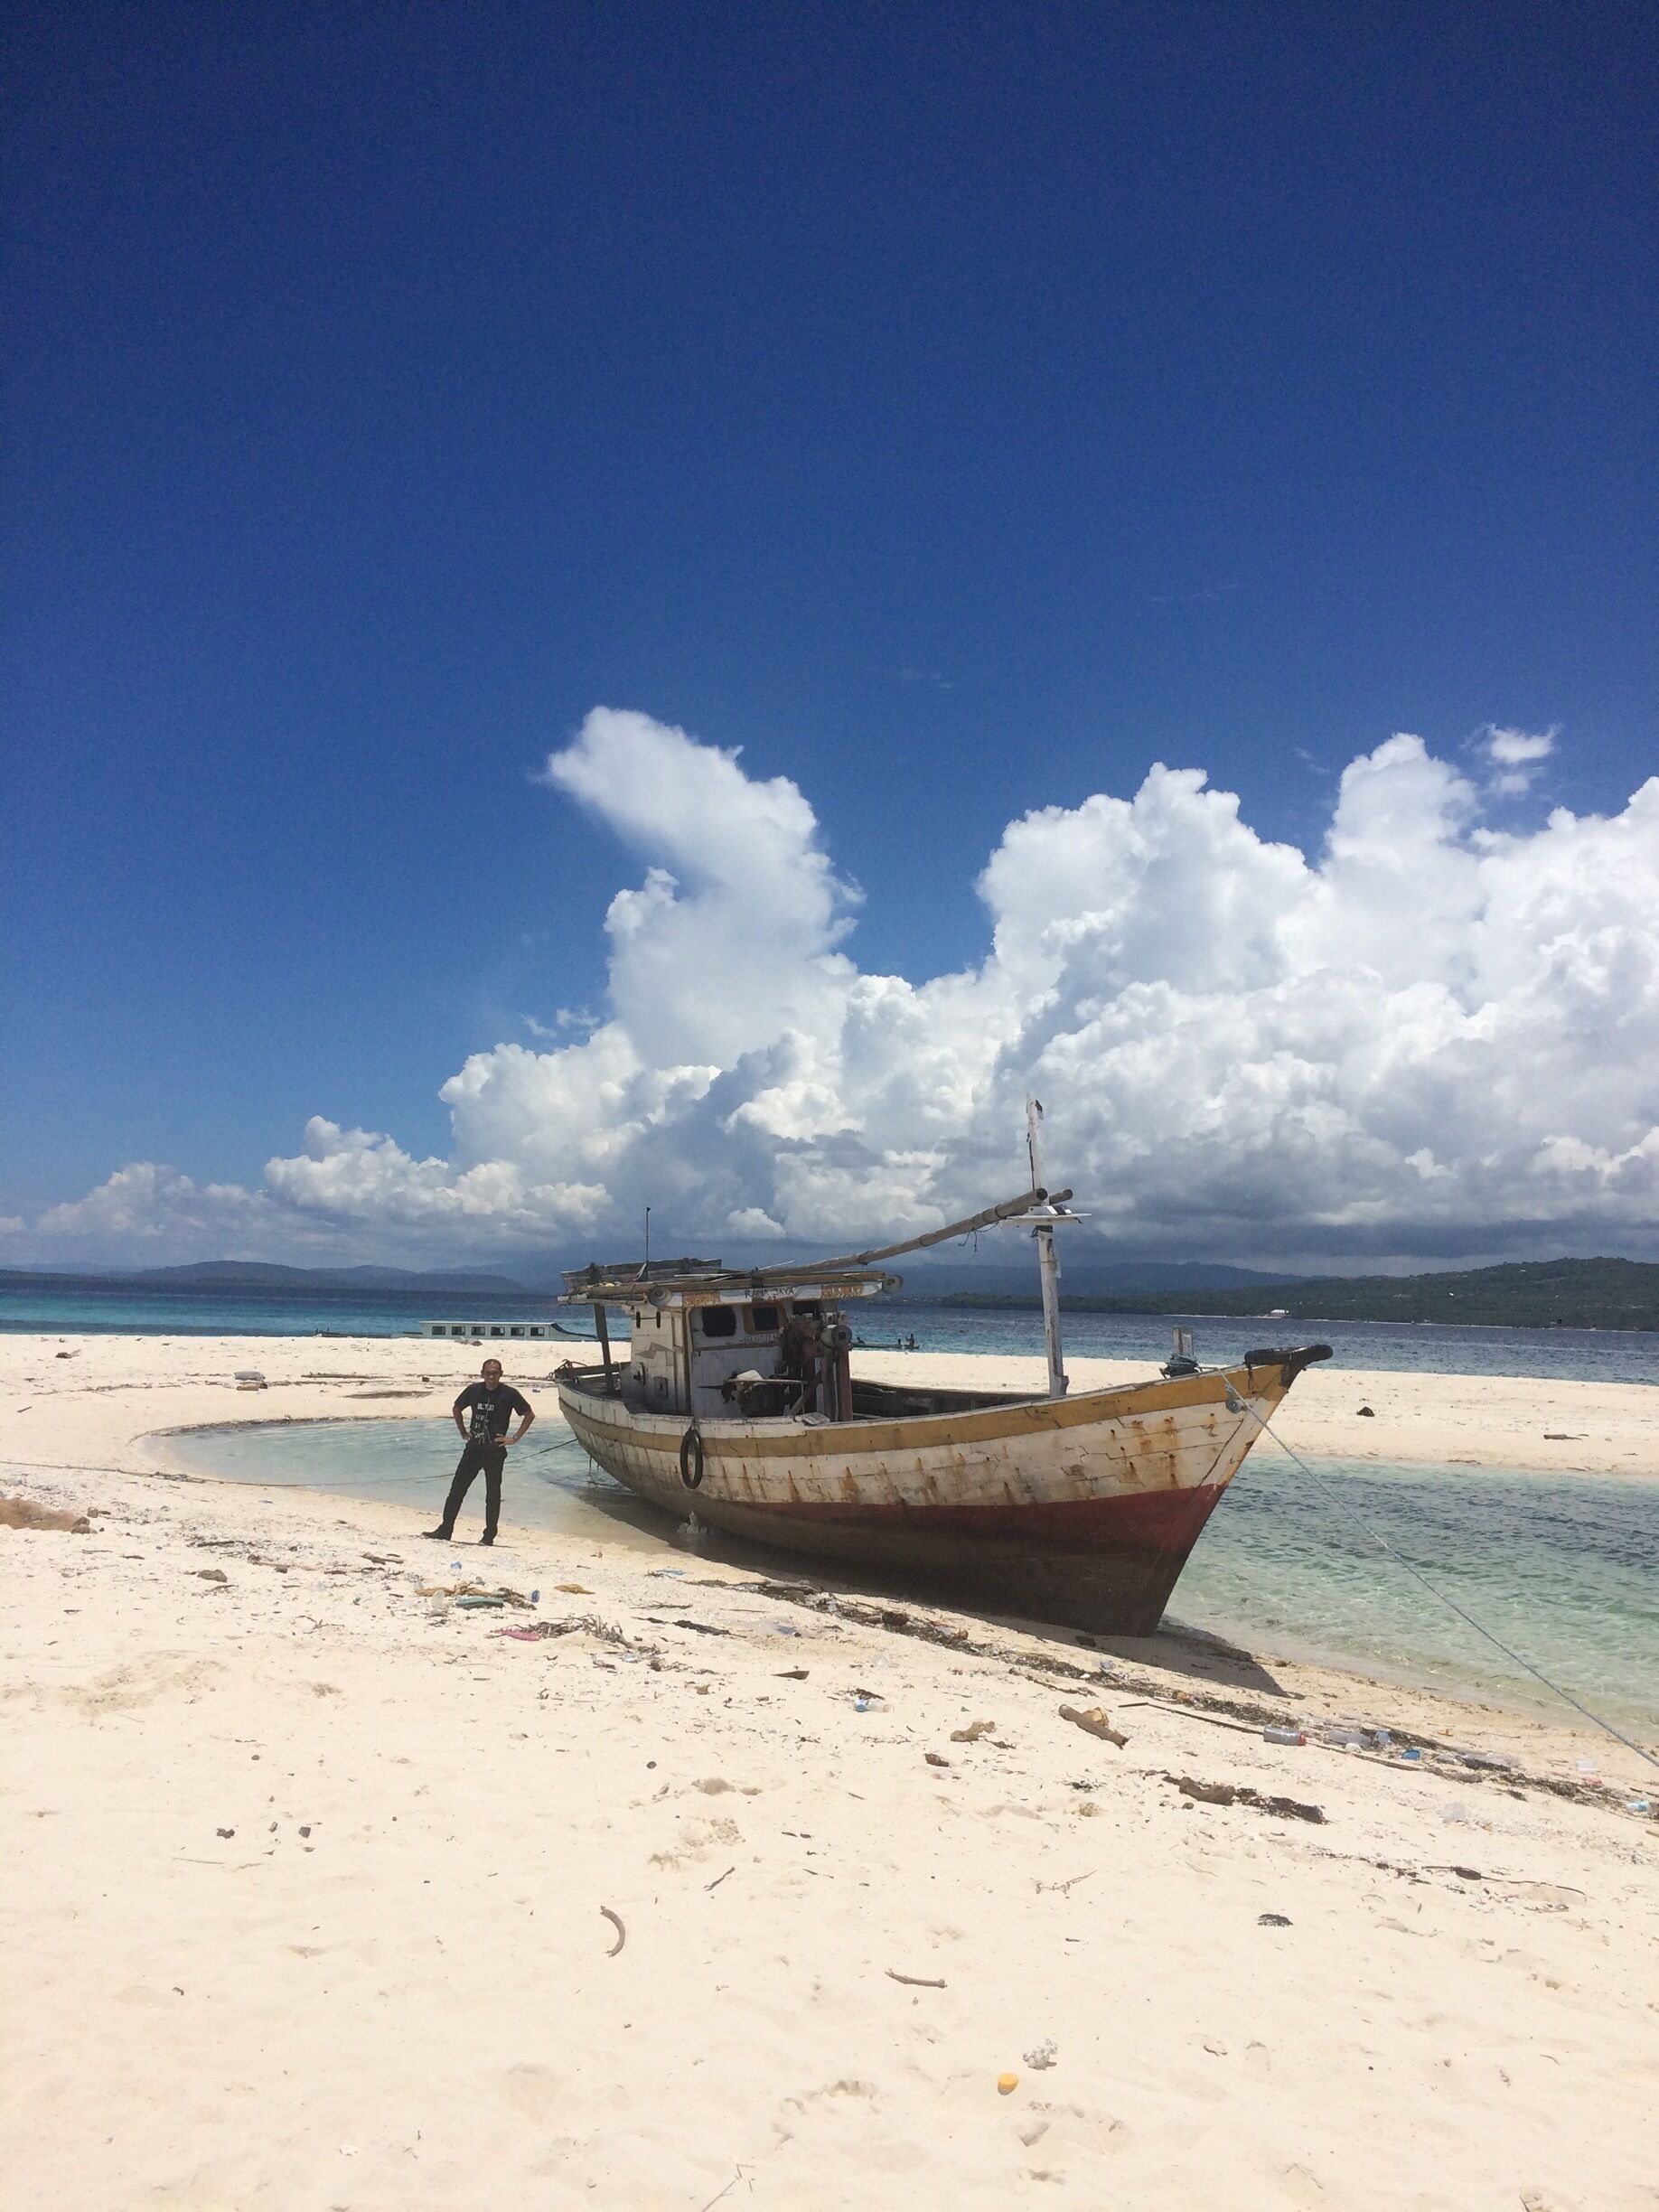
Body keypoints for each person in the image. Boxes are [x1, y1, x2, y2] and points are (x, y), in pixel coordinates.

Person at [423, 1357, 534, 1546]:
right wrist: (463, 1432)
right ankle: (445, 1529)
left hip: (495, 1450)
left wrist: (514, 1438)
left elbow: (529, 1415)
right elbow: (457, 1408)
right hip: (474, 1448)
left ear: (501, 1374)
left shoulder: (509, 1394)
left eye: (495, 1373)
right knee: (457, 1489)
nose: (491, 1376)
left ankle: (488, 1536)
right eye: (488, 1373)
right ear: (482, 1373)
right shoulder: (474, 1390)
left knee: (493, 1495)